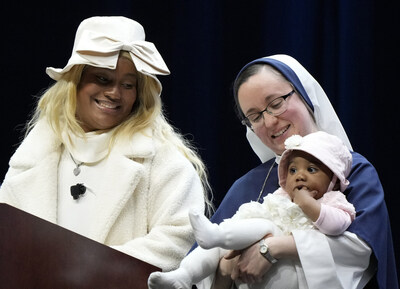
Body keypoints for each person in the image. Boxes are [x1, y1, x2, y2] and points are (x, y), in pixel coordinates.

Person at [0, 16, 213, 272]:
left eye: (127, 85)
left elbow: (179, 235)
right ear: (75, 83)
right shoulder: (35, 152)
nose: (114, 93)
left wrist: (92, 271)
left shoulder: (163, 159)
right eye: (102, 79)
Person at [196, 55, 397, 289]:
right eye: (255, 116)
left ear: (303, 94)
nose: (270, 121)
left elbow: (360, 250)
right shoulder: (247, 186)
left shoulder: (354, 170)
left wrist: (272, 249)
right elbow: (205, 268)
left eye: (275, 103)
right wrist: (226, 267)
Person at [148, 131, 357, 289]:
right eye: (293, 170)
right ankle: (183, 275)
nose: (300, 176)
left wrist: (308, 204)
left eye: (311, 170)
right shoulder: (280, 195)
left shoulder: (334, 199)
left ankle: (218, 234)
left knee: (266, 227)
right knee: (216, 246)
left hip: (289, 271)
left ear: (334, 179)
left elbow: (337, 225)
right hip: (249, 269)